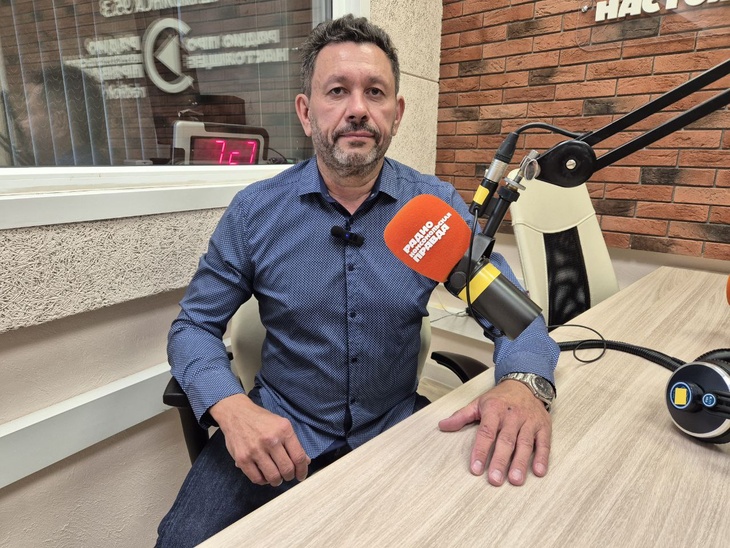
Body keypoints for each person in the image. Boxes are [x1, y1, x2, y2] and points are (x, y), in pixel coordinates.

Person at [157, 14, 559, 547]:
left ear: (397, 113)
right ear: (306, 112)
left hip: (394, 428)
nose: (357, 109)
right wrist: (231, 409)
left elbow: (517, 319)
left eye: (375, 92)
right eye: (337, 91)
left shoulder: (434, 208)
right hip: (282, 427)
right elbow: (192, 328)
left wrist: (524, 382)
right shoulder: (255, 212)